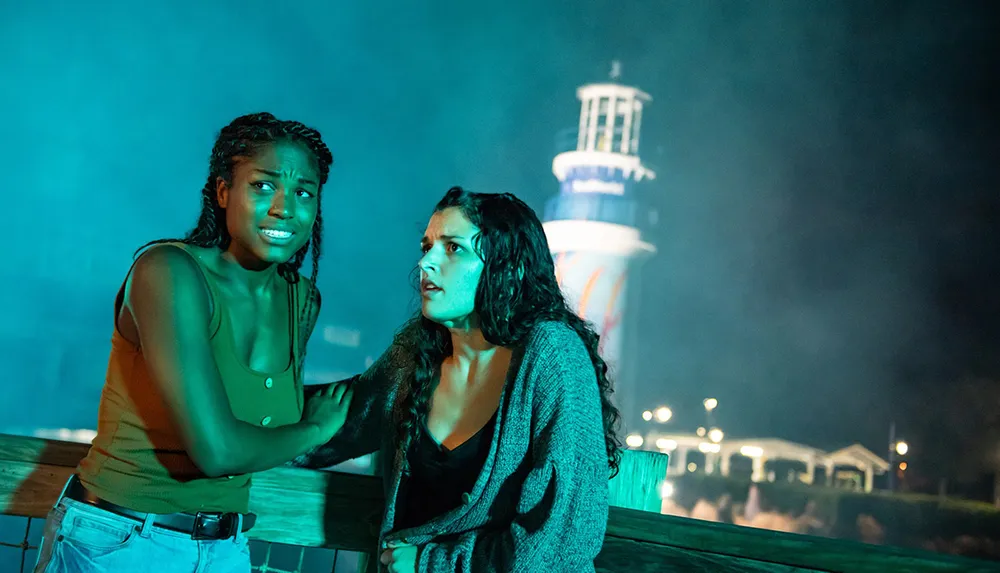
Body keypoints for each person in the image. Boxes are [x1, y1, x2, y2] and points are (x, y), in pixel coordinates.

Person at [34, 112, 353, 573]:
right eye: (264, 186)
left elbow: (260, 415)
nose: (285, 207)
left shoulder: (300, 300)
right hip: (118, 542)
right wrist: (315, 430)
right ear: (224, 191)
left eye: (304, 192)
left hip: (225, 549)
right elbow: (217, 451)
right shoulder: (168, 272)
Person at [296, 187, 621, 572]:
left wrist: (430, 563)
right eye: (427, 245)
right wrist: (225, 412)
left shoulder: (552, 354)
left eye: (453, 248)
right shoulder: (417, 351)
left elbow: (565, 539)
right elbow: (334, 424)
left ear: (508, 266)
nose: (426, 263)